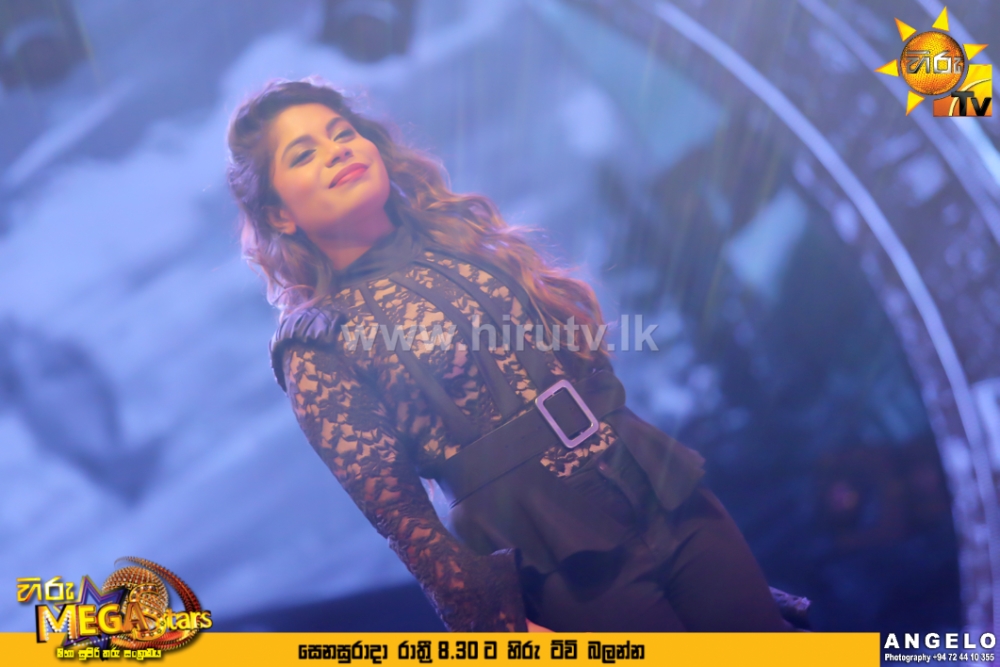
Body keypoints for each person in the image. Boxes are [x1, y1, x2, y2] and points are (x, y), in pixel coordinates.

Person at [225, 77, 809, 633]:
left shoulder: (456, 238)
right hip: (555, 553)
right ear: (279, 214)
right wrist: (494, 627)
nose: (336, 151)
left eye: (342, 133)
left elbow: (577, 360)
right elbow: (404, 522)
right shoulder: (317, 342)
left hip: (657, 486)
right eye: (304, 154)